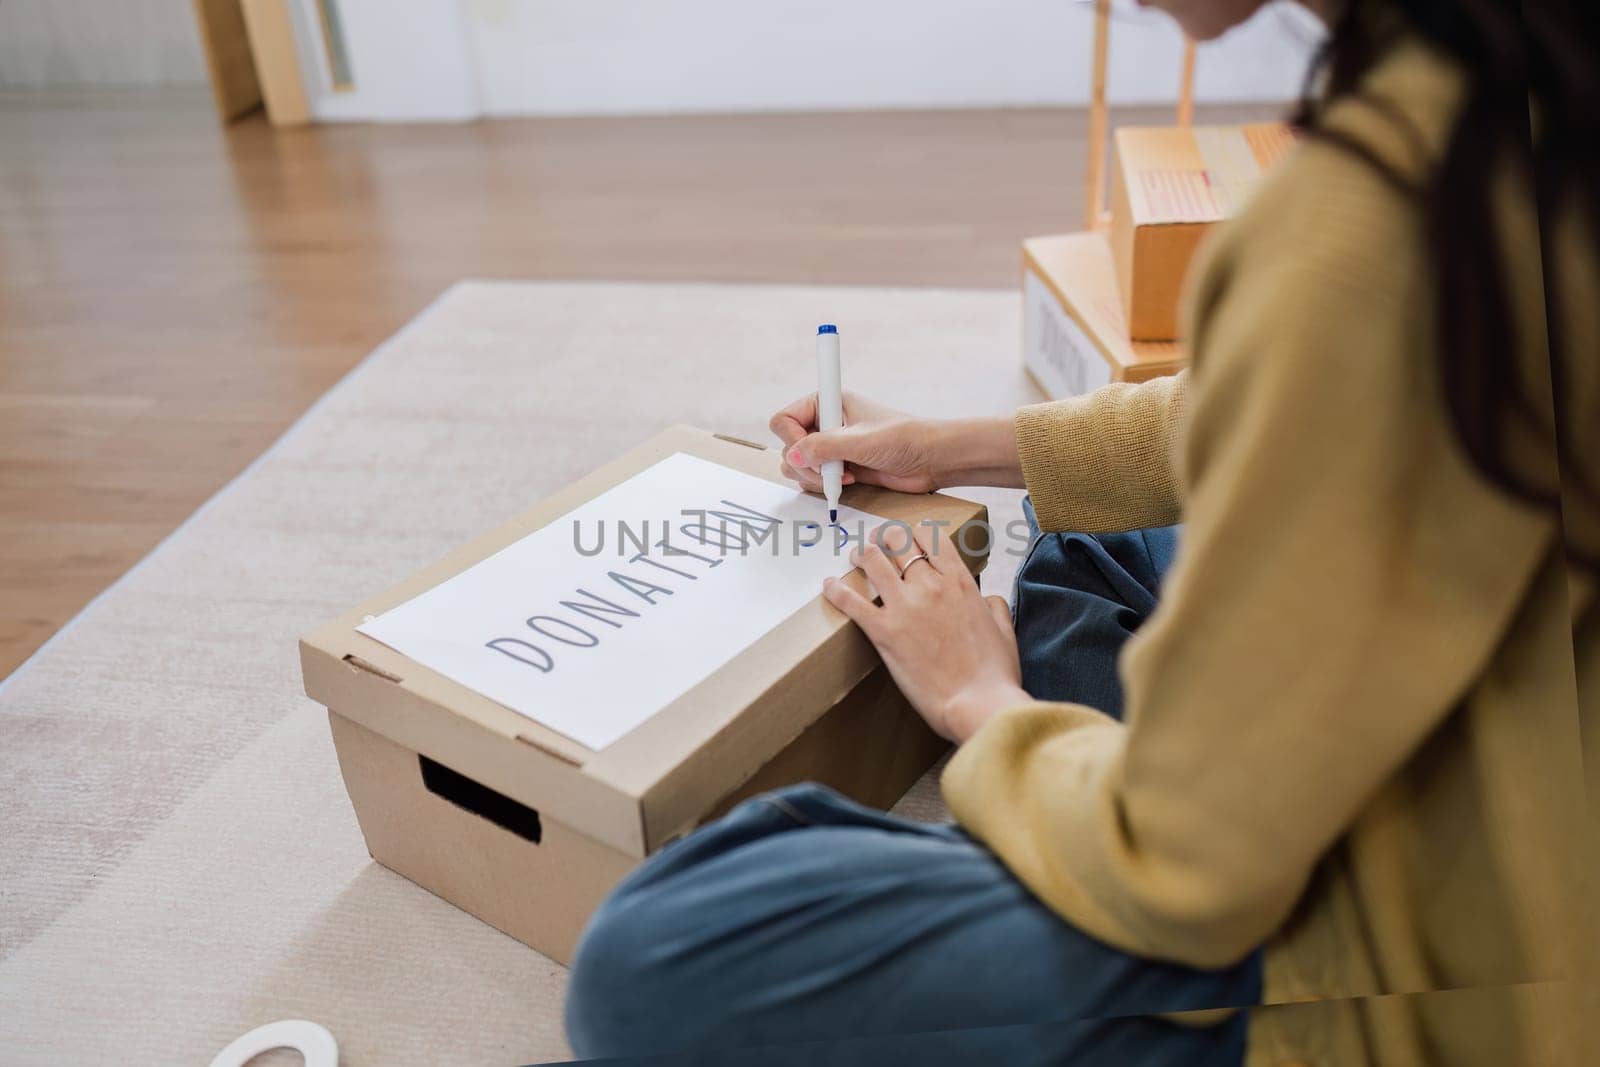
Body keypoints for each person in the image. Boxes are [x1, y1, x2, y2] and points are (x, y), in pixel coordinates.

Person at [565, 0, 1598, 1062]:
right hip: (1508, 755)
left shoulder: (1369, 223)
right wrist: (948, 445)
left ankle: (1042, 807)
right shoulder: (1515, 86)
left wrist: (979, 699)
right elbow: (1274, 404)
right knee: (1092, 541)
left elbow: (1188, 873)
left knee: (654, 954)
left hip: (1460, 973)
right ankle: (1062, 797)